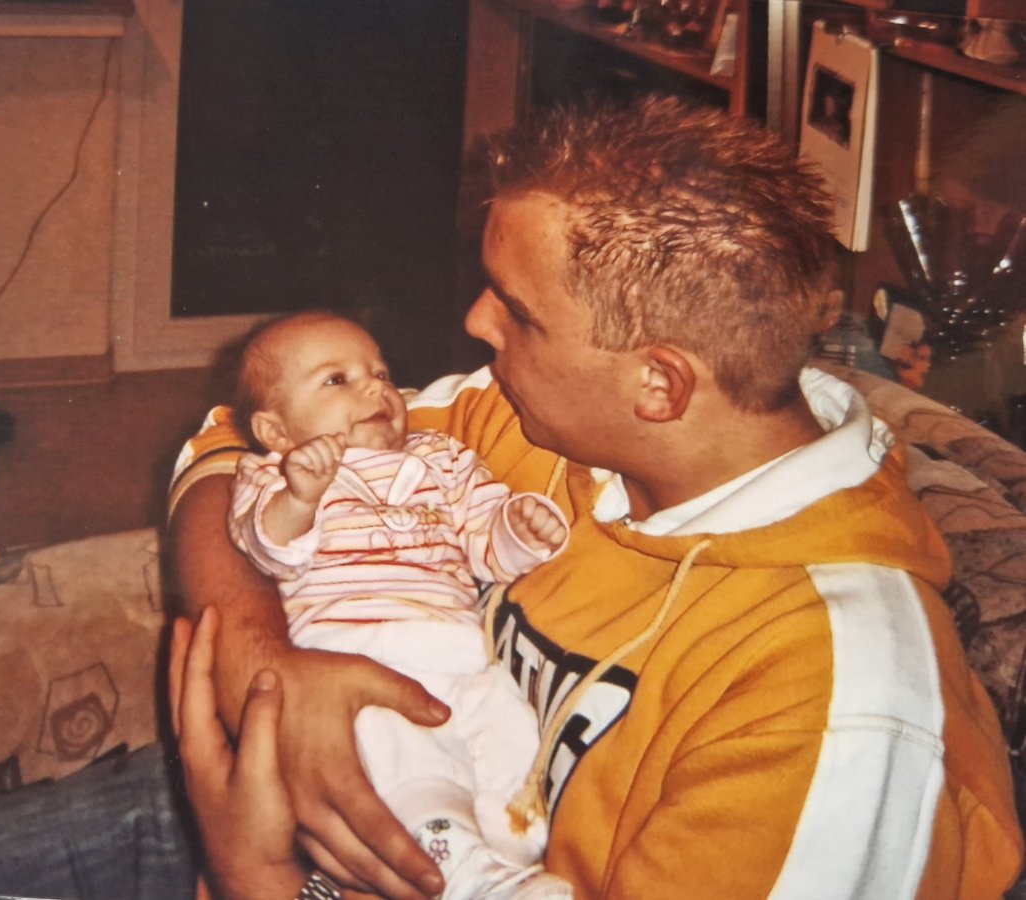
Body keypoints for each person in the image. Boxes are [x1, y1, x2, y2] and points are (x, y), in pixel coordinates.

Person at [168, 96, 1024, 899]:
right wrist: (266, 669)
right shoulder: (543, 424)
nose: (475, 321)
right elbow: (229, 448)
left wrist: (260, 880)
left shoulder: (833, 711)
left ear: (658, 383)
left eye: (516, 311)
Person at [225, 311, 572, 899]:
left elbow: (485, 543)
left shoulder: (443, 457)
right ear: (276, 431)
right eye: (336, 380)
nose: (375, 388)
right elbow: (268, 549)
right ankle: (454, 866)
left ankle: (504, 852)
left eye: (380, 373)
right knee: (402, 757)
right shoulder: (274, 475)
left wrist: (518, 529)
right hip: (355, 652)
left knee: (510, 732)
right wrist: (300, 499)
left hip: (460, 652)